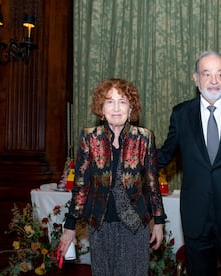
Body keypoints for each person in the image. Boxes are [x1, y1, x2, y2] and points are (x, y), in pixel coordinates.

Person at [158, 50, 221, 276]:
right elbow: (164, 156)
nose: (214, 81)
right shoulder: (181, 114)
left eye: (220, 74)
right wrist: (130, 152)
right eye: (207, 74)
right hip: (196, 215)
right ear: (196, 78)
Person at [58, 78, 166, 276]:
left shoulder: (144, 137)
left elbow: (152, 183)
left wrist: (159, 222)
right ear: (101, 108)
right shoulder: (89, 138)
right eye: (109, 101)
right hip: (100, 225)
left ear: (131, 108)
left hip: (135, 225)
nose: (116, 107)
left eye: (122, 101)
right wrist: (70, 226)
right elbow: (81, 186)